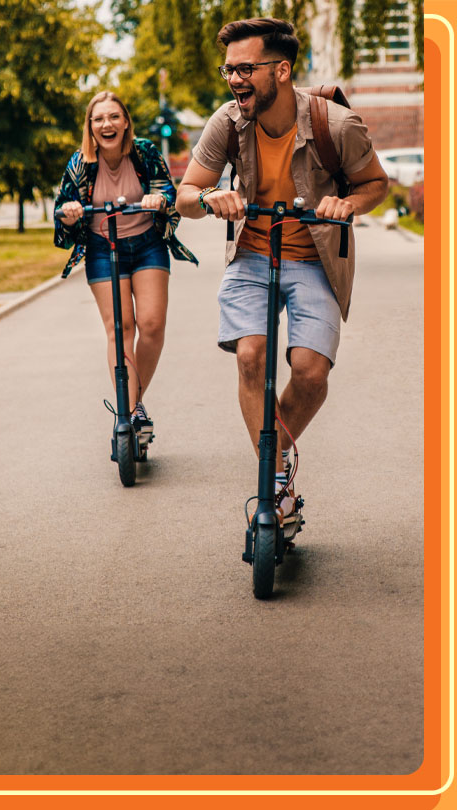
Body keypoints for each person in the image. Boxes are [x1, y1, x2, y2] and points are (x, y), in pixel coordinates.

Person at [175, 17, 388, 515]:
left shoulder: (336, 125)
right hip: (251, 255)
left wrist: (347, 205)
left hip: (313, 260)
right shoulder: (226, 122)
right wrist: (210, 196)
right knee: (251, 355)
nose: (234, 79)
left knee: (311, 374)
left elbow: (375, 183)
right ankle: (273, 482)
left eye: (246, 68)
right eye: (228, 69)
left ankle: (276, 454)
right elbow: (184, 196)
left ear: (283, 70)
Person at [54, 90, 197, 442]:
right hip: (104, 248)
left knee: (151, 324)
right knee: (121, 328)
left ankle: (133, 405)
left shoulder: (144, 152)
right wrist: (70, 216)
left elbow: (170, 195)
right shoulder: (79, 165)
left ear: (126, 122)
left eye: (114, 116)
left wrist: (158, 199)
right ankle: (130, 414)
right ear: (90, 126)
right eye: (99, 118)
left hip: (147, 245)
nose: (107, 124)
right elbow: (61, 220)